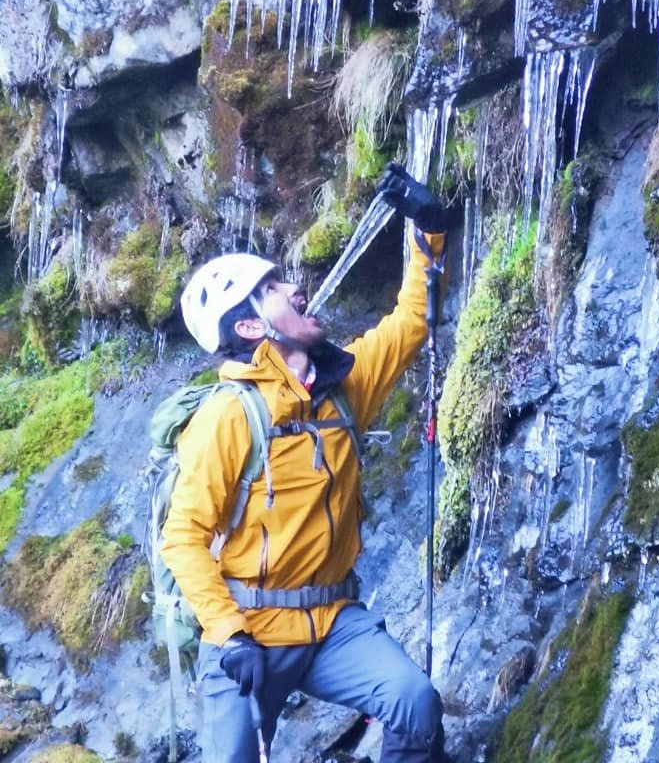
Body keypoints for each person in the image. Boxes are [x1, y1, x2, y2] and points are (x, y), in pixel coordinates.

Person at [161, 163, 449, 763]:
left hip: (332, 621)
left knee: (414, 700)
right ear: (248, 325)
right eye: (273, 289)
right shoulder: (229, 417)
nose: (296, 289)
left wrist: (428, 230)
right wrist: (227, 632)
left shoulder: (344, 389)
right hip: (249, 632)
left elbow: (412, 321)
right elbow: (184, 539)